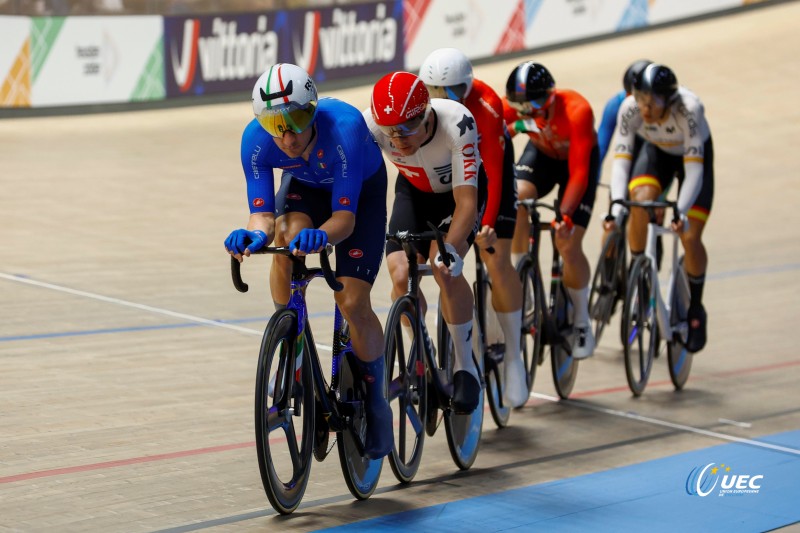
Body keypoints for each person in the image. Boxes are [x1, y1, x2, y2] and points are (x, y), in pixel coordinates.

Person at [223, 63, 392, 459]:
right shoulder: (256, 140)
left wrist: (324, 234)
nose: (286, 136)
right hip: (307, 186)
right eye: (274, 124)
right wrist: (253, 235)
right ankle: (291, 342)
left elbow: (345, 221)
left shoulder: (345, 131)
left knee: (351, 301)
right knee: (284, 237)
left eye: (296, 120)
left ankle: (376, 401)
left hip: (359, 196)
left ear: (312, 111)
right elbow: (263, 215)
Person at [364, 71, 485, 414]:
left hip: (457, 198)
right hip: (413, 194)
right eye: (390, 132)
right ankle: (422, 349)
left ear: (426, 115)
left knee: (442, 268)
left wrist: (450, 249)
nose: (397, 140)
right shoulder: (372, 127)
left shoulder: (457, 123)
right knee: (401, 275)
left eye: (406, 130)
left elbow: (466, 204)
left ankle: (465, 366)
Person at [418, 48, 528, 408]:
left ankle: (514, 357)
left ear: (468, 86)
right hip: (451, 172)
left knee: (495, 256)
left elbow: (492, 174)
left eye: (451, 91)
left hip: (489, 169)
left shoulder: (487, 106)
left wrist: (489, 225)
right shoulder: (425, 113)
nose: (443, 98)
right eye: (435, 90)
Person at [608, 64, 713, 353]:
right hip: (659, 154)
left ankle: (696, 308)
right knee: (638, 200)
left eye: (651, 100)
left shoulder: (689, 110)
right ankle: (639, 273)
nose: (644, 106)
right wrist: (617, 207)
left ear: (668, 100)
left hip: (692, 161)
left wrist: (680, 210)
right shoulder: (630, 108)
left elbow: (693, 173)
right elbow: (621, 163)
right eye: (640, 98)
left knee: (690, 235)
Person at [503, 61, 599, 359]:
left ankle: (582, 319)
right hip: (542, 157)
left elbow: (580, 174)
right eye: (521, 106)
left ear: (552, 96)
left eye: (534, 103)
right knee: (516, 200)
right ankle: (522, 278)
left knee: (568, 242)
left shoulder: (577, 110)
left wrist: (565, 216)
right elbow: (494, 135)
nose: (528, 110)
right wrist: (518, 125)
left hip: (576, 164)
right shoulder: (519, 110)